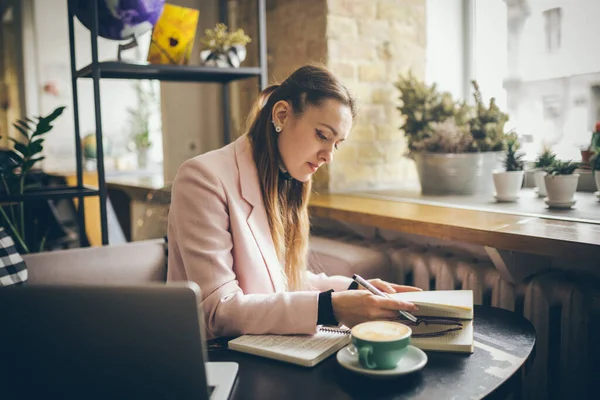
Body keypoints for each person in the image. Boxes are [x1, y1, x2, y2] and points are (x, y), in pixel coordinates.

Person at [167, 65, 421, 340]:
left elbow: (282, 281)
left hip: (262, 348)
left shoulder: (284, 178)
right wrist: (330, 308)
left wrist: (353, 290)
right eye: (323, 135)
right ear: (282, 115)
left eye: (336, 144)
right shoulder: (203, 178)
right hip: (218, 361)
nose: (328, 156)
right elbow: (217, 311)